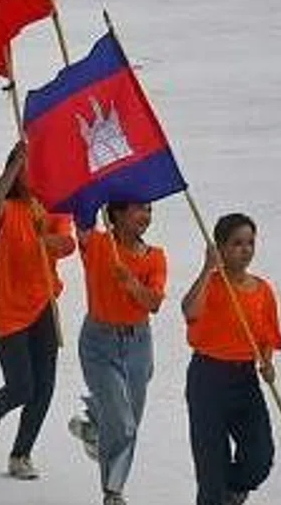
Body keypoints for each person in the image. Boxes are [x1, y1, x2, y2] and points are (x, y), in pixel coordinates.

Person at [0, 141, 78, 481]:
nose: (35, 176)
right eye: (28, 170)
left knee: (44, 387)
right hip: (7, 307)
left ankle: (21, 454)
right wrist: (16, 164)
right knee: (21, 386)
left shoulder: (54, 209)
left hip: (44, 303)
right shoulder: (9, 211)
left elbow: (67, 243)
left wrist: (49, 241)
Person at [66, 202, 168, 505]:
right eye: (139, 209)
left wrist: (131, 283)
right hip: (98, 343)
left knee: (129, 423)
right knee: (122, 423)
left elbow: (154, 303)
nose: (146, 216)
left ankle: (93, 421)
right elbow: (81, 217)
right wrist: (92, 192)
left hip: (138, 343)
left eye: (149, 210)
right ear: (118, 215)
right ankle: (113, 491)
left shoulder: (156, 257)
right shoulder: (98, 245)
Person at [182, 212, 281, 505]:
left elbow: (267, 338)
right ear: (221, 247)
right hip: (207, 379)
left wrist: (267, 363)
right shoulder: (211, 284)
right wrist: (206, 269)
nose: (246, 249)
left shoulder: (263, 290)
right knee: (211, 469)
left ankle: (230, 492)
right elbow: (189, 312)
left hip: (244, 380)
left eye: (250, 242)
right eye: (237, 243)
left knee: (259, 459)